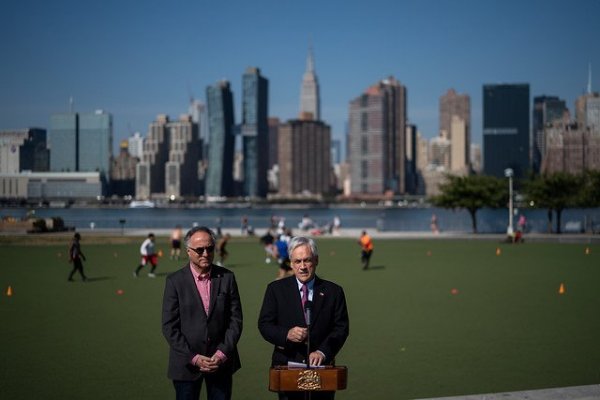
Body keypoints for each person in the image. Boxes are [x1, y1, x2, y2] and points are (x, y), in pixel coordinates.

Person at [258, 236, 350, 400]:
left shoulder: (334, 291)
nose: (302, 267)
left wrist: (323, 352)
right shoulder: (275, 289)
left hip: (322, 369)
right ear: (291, 263)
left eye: (307, 260)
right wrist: (286, 334)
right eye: (297, 261)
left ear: (316, 260)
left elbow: (341, 328)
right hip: (287, 368)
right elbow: (264, 325)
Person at [162, 226, 243, 400]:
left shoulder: (227, 277)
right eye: (199, 250)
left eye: (210, 248)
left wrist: (221, 354)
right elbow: (169, 327)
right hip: (186, 365)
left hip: (220, 364)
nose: (205, 253)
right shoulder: (175, 281)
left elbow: (235, 321)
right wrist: (194, 358)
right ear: (188, 251)